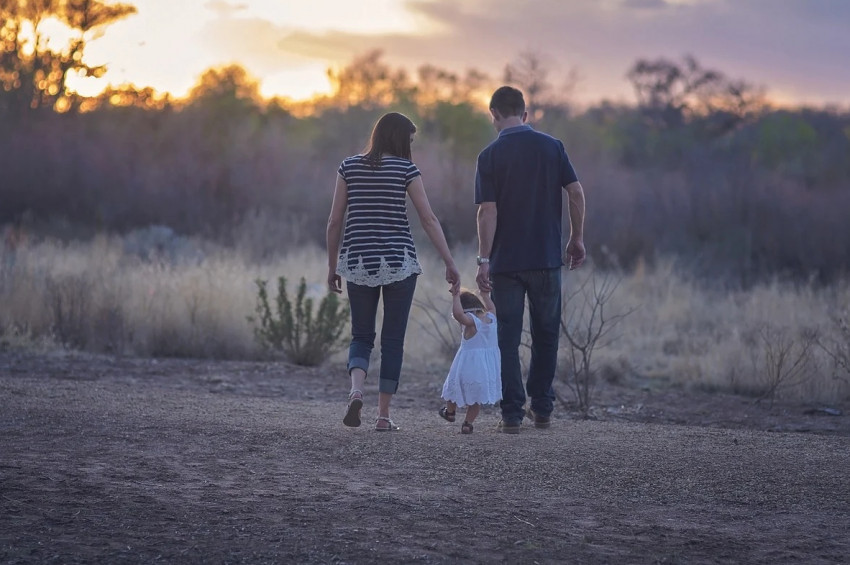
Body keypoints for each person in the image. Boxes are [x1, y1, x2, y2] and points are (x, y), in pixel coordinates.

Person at [327, 112, 461, 432]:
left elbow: (334, 221)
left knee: (361, 335)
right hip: (399, 263)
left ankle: (356, 390)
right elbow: (428, 219)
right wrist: (449, 262)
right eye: (410, 140)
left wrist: (333, 266)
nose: (411, 146)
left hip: (358, 261)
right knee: (393, 340)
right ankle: (383, 416)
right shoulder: (406, 169)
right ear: (400, 139)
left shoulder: (348, 167)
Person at [474, 86, 587, 434]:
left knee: (507, 338)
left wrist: (483, 259)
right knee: (546, 334)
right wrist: (576, 238)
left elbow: (486, 212)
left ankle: (511, 414)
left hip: (507, 263)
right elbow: (576, 192)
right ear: (525, 114)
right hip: (546, 259)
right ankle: (542, 409)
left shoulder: (489, 156)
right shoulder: (552, 147)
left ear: (493, 114)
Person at [438, 288, 502, 434]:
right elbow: (491, 306)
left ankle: (450, 412)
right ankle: (467, 424)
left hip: (467, 366)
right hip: (485, 369)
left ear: (466, 310)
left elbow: (458, 314)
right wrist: (485, 295)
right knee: (475, 399)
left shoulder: (471, 322)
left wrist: (455, 297)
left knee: (453, 388)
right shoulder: (491, 317)